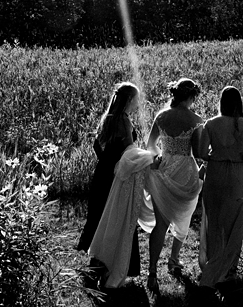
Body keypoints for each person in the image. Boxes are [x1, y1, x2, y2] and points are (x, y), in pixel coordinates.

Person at [142, 78, 206, 293]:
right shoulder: (196, 119)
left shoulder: (161, 116)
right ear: (191, 96)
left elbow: (150, 145)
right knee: (184, 216)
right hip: (186, 171)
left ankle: (152, 272)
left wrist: (159, 157)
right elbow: (197, 153)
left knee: (161, 224)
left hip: (165, 168)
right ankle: (174, 259)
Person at [77, 82, 142, 285]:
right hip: (116, 174)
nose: (137, 104)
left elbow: (97, 143)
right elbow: (129, 150)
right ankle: (104, 265)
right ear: (130, 100)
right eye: (136, 99)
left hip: (103, 171)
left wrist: (105, 160)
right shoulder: (124, 120)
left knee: (100, 215)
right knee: (115, 217)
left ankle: (96, 264)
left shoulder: (109, 117)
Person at [197, 86, 243, 288]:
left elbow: (202, 152)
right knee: (235, 222)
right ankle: (229, 270)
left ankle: (212, 266)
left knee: (214, 221)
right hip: (237, 177)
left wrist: (217, 157)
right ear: (239, 103)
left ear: (221, 102)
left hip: (215, 174)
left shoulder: (211, 124)